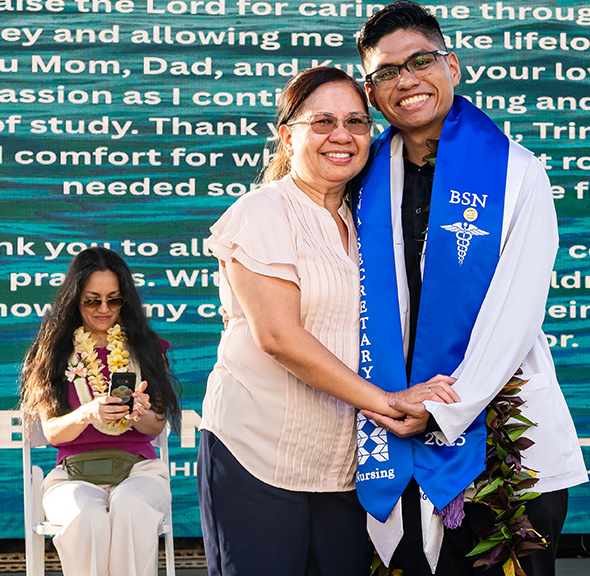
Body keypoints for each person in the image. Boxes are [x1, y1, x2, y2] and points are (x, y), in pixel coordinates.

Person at [351, 2, 589, 575]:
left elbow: (519, 306)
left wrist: (443, 411)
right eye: (386, 72)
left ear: (452, 66)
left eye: (421, 61)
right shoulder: (359, 176)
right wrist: (389, 403)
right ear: (372, 91)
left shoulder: (516, 171)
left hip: (498, 434)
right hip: (387, 429)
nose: (406, 80)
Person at [196, 66, 459, 576]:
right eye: (323, 122)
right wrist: (386, 402)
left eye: (357, 122)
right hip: (257, 457)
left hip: (344, 469)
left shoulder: (370, 223)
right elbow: (279, 338)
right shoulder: (263, 211)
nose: (342, 135)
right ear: (287, 135)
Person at [19, 246, 181, 576]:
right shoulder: (53, 351)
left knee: (131, 505)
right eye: (93, 300)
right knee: (86, 515)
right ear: (75, 299)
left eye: (114, 299)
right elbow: (51, 433)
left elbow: (154, 427)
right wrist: (88, 413)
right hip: (72, 474)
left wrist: (141, 413)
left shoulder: (146, 346)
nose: (104, 309)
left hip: (139, 470)